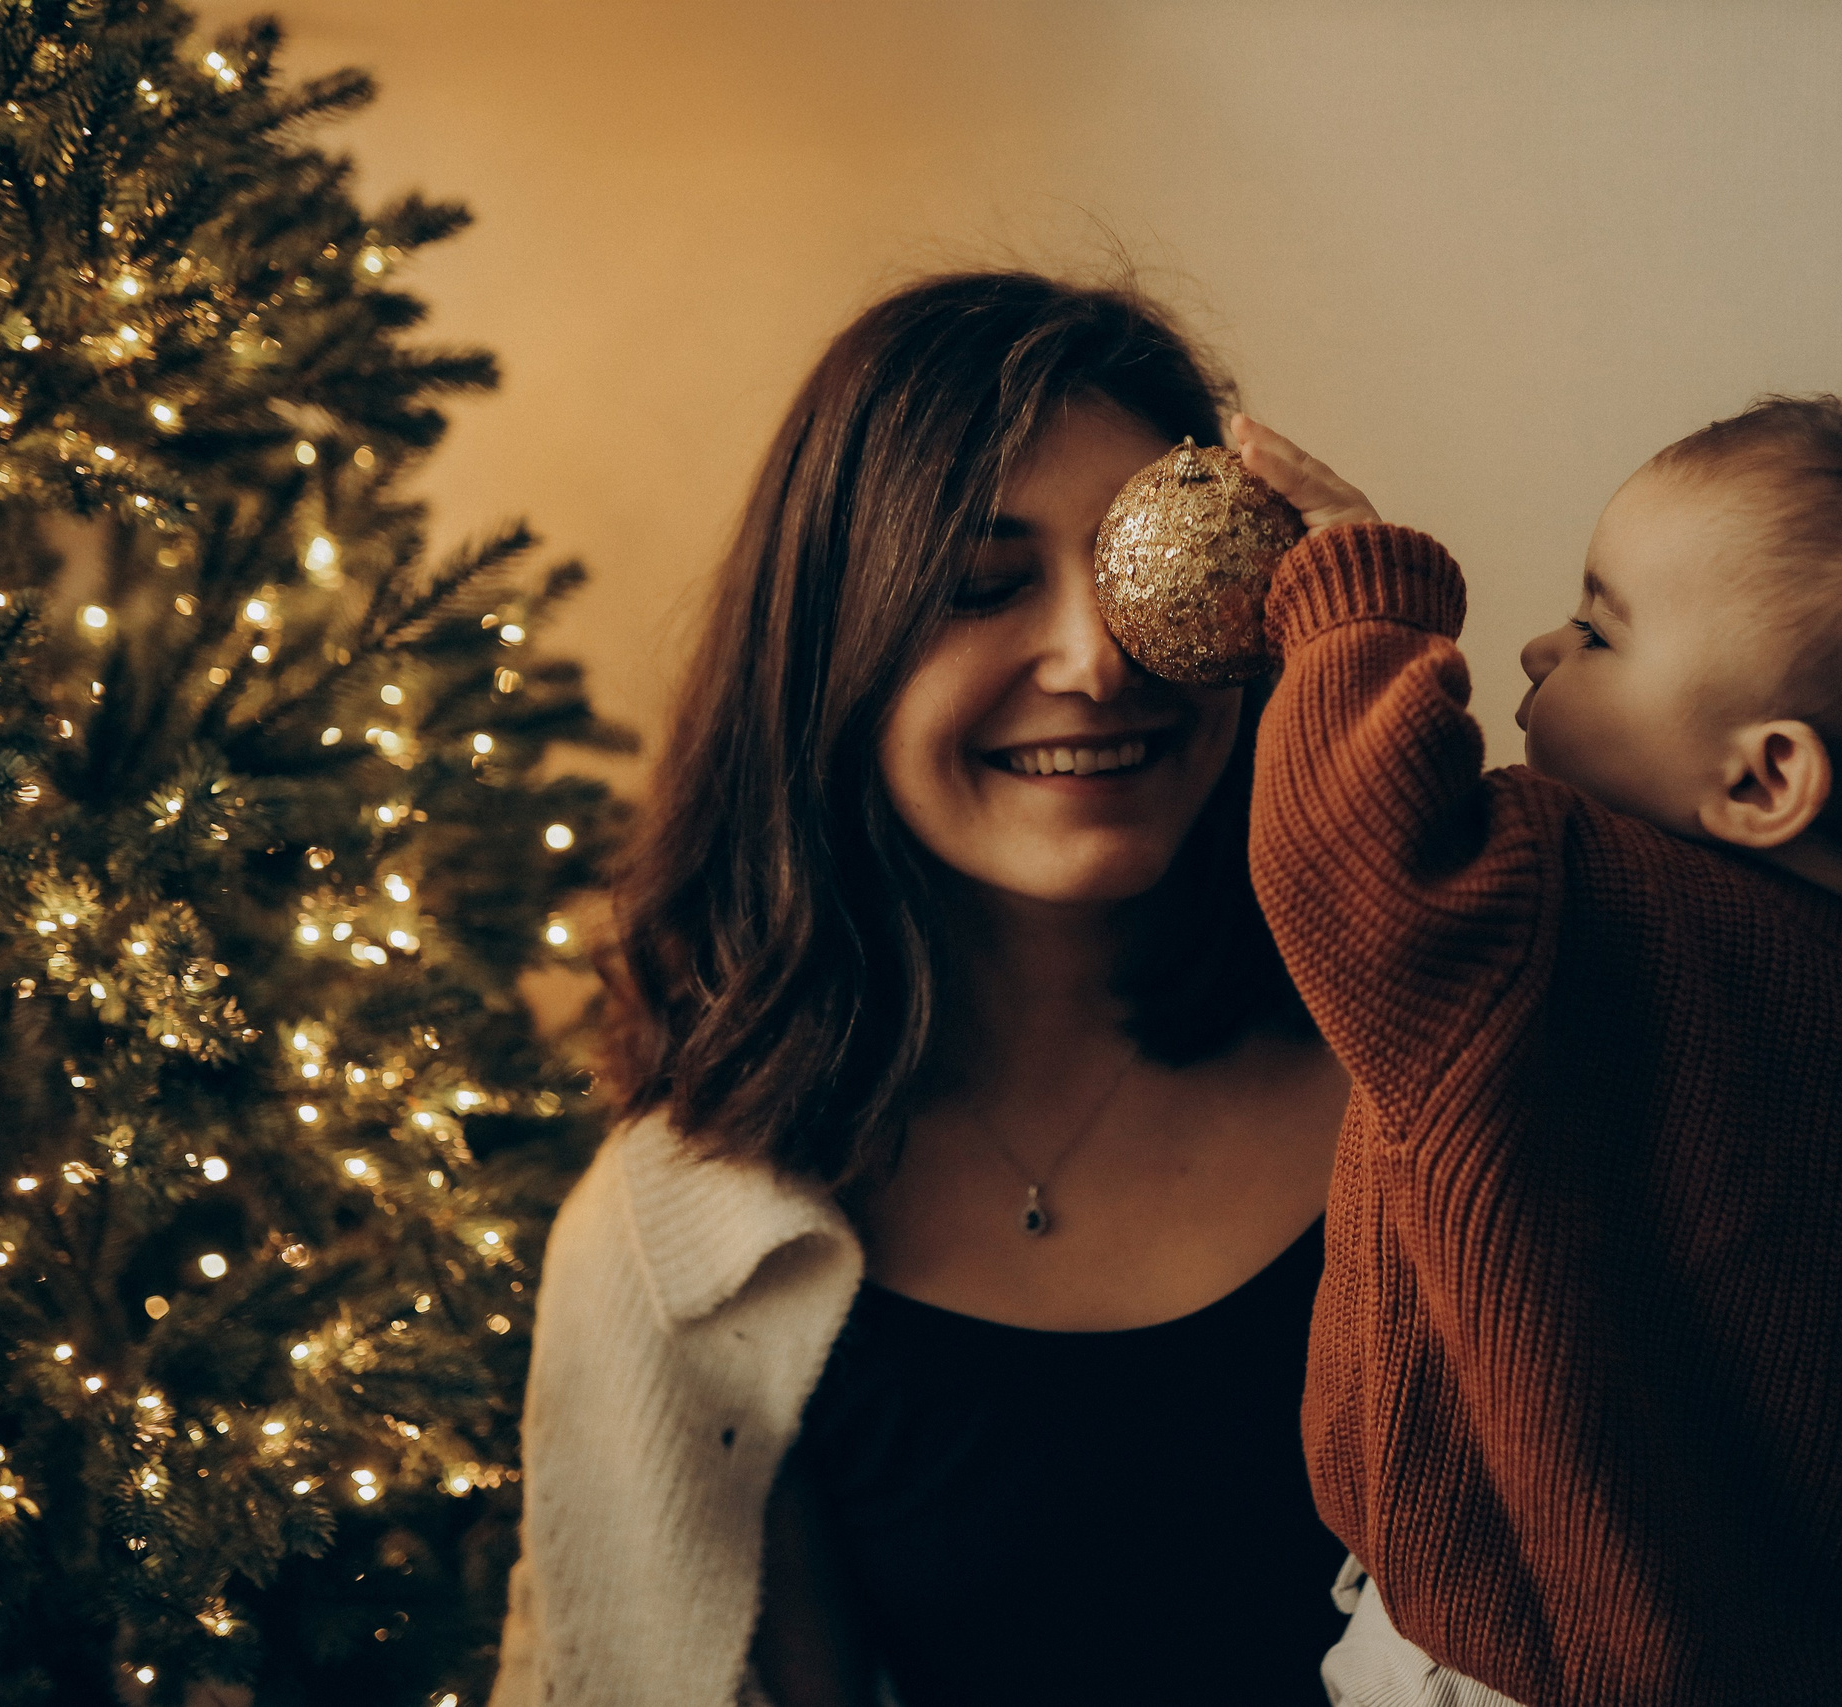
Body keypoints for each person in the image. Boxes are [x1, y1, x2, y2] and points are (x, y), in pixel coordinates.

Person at [488, 273, 1352, 1707]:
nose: (1099, 660)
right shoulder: (700, 1242)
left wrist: (1379, 693)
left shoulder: (1440, 1062)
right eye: (977, 584)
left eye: (1168, 576)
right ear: (834, 651)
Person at [1227, 398, 1842, 1707]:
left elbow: (1351, 861)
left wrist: (1356, 595)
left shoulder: (1555, 911)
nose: (1536, 646)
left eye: (1596, 628)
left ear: (1762, 781)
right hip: (1821, 1656)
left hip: (1529, 1669)